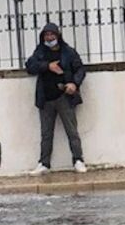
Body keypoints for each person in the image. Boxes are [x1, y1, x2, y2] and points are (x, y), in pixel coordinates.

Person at [25, 23, 86, 175]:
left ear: (58, 35)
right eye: (46, 35)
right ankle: (44, 163)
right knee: (46, 133)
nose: (50, 38)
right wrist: (47, 66)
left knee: (72, 131)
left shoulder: (68, 52)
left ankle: (78, 160)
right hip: (46, 98)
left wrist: (74, 83)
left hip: (64, 97)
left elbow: (80, 69)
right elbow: (30, 66)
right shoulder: (40, 52)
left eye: (52, 34)